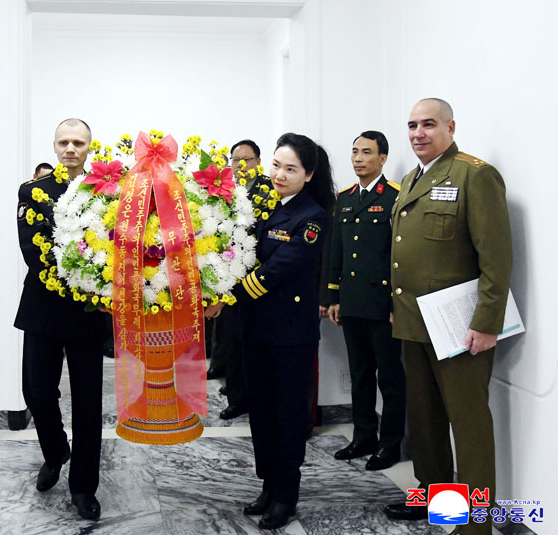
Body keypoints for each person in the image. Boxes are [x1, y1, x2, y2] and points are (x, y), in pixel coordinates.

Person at [382, 99, 512, 535]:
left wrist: (487, 321)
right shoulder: (410, 180)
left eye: (429, 124)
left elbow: (496, 257)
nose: (418, 132)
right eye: (412, 125)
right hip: (416, 323)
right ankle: (436, 503)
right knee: (425, 422)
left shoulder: (474, 175)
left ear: (451, 127)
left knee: (469, 427)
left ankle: (473, 526)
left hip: (460, 328)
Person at [207, 133, 335, 530]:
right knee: (261, 412)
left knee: (287, 415)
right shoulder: (264, 208)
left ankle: (286, 495)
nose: (280, 174)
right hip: (255, 331)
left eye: (290, 169)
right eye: (276, 166)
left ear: (308, 174)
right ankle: (267, 485)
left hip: (289, 334)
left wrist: (229, 296)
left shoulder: (312, 216)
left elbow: (276, 271)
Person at [14, 118, 107, 520]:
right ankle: (55, 451)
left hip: (89, 312)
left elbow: (113, 246)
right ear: (54, 146)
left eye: (78, 142)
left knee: (88, 403)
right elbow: (33, 251)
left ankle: (84, 487)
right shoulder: (32, 191)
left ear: (90, 147)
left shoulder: (106, 192)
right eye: (64, 141)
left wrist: (96, 286)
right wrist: (76, 279)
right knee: (37, 390)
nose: (71, 148)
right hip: (44, 307)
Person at [327, 131, 406, 470]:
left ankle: (390, 446)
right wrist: (333, 295)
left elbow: (400, 254)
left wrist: (395, 304)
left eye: (367, 153)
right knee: (360, 374)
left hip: (382, 304)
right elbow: (337, 250)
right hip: (352, 301)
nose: (358, 158)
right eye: (355, 152)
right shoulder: (344, 198)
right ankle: (363, 438)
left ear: (383, 159)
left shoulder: (395, 197)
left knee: (389, 378)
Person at [212, 139, 272, 419]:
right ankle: (237, 397)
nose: (239, 165)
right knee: (232, 337)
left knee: (255, 341)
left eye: (245, 160)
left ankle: (253, 393)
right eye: (234, 161)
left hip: (259, 276)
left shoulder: (268, 190)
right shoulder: (225, 190)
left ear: (258, 161)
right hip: (229, 276)